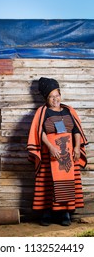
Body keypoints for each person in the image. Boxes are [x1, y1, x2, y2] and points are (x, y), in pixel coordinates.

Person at [27, 77, 88, 226]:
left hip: (67, 154)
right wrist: (50, 147)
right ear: (46, 99)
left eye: (57, 95)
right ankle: (46, 213)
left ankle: (65, 213)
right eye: (51, 96)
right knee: (48, 184)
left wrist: (76, 148)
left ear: (60, 94)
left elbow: (76, 130)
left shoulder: (69, 111)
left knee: (67, 183)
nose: (55, 99)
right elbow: (39, 131)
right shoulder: (42, 112)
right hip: (50, 155)